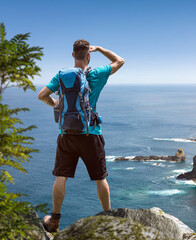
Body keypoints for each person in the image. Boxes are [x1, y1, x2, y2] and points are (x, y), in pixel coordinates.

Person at [38, 39, 125, 233]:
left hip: (66, 134)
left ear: (72, 55)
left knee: (61, 177)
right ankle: (108, 218)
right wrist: (101, 48)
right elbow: (120, 61)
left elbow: (41, 95)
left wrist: (56, 105)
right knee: (100, 178)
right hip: (90, 134)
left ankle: (54, 220)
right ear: (88, 55)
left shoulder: (61, 76)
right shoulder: (96, 74)